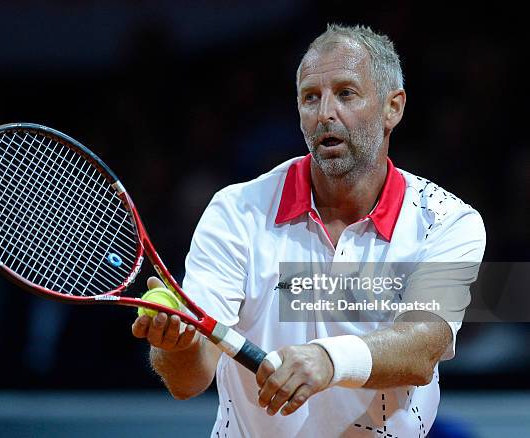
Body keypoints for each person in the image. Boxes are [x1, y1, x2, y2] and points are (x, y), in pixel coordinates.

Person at [132, 24, 486, 437]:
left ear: (393, 107)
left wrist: (328, 360)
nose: (325, 113)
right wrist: (176, 346)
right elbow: (188, 380)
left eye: (346, 93)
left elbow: (423, 346)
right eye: (310, 98)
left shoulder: (446, 220)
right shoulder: (236, 211)